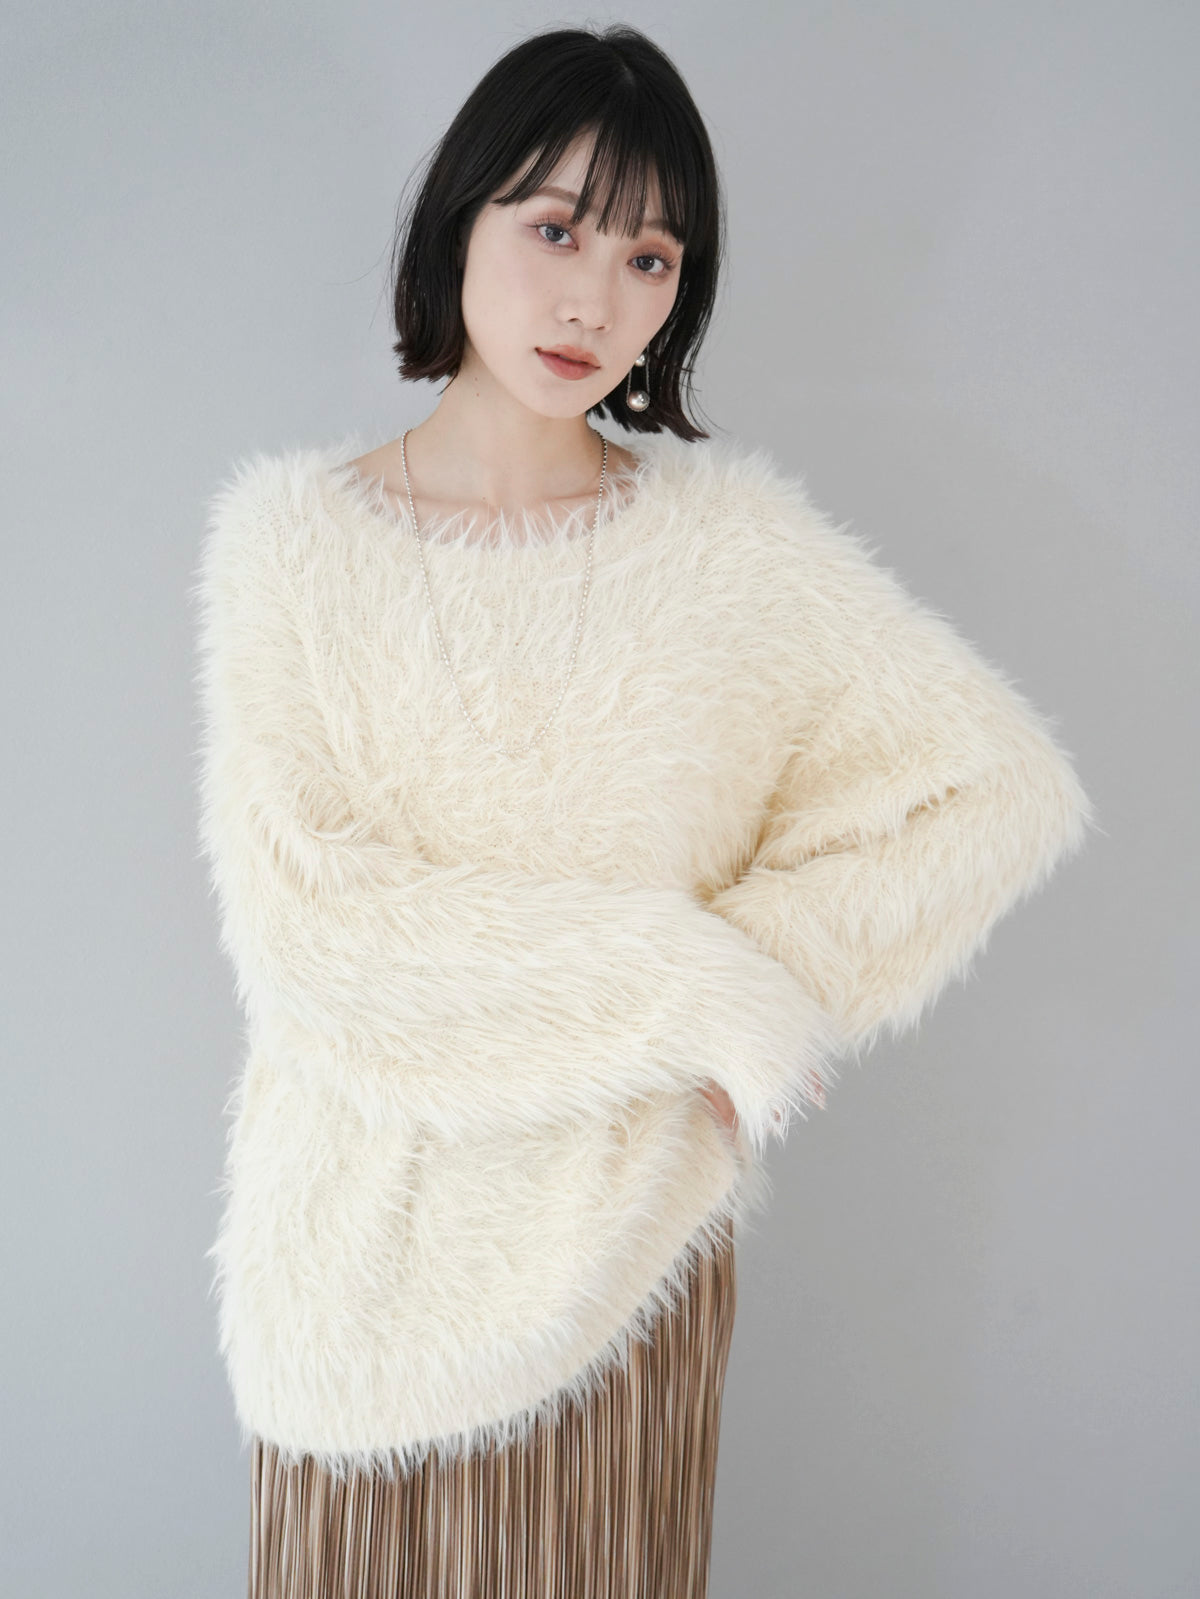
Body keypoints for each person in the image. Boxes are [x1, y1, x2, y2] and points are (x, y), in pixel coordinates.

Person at [193, 23, 1095, 1599]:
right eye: (555, 231)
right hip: (355, 1274)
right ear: (458, 219)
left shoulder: (728, 556)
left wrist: (767, 991)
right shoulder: (292, 549)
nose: (595, 303)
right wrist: (697, 993)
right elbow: (314, 940)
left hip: (625, 1262)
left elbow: (986, 788)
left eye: (650, 258)